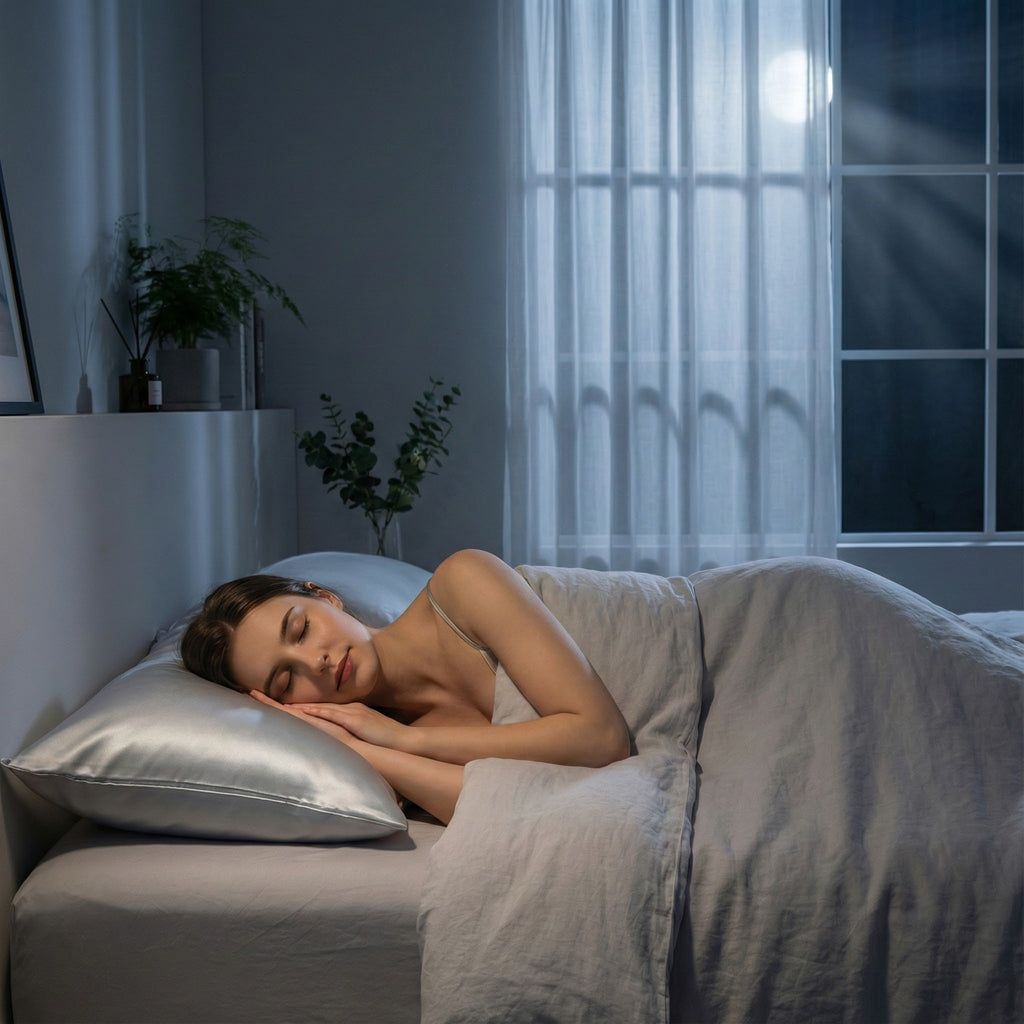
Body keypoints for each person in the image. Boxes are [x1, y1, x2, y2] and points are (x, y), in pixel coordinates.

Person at [181, 548, 630, 824]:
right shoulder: (379, 756)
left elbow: (602, 739)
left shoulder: (462, 581)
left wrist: (407, 739)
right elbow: (502, 814)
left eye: (300, 630)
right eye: (286, 680)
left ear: (325, 597)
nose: (314, 663)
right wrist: (365, 750)